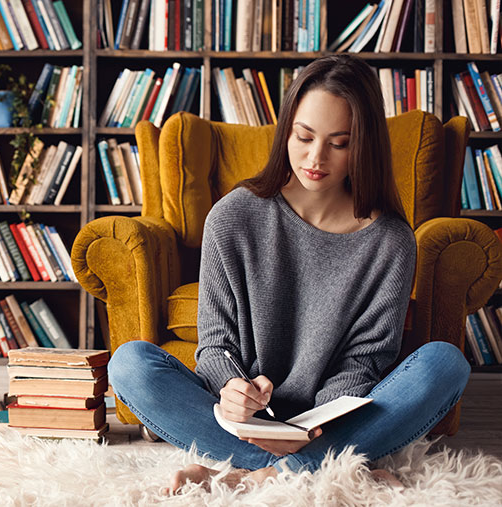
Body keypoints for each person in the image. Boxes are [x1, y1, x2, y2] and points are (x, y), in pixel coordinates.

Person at [106, 54, 472, 493]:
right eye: (304, 136)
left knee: (446, 363)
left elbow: (365, 361)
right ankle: (333, 467)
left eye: (339, 143)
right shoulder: (233, 216)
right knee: (129, 364)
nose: (316, 157)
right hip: (242, 420)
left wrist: (323, 420)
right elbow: (216, 342)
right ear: (287, 131)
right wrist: (232, 388)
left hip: (333, 419)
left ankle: (253, 476)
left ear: (365, 145)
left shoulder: (390, 240)